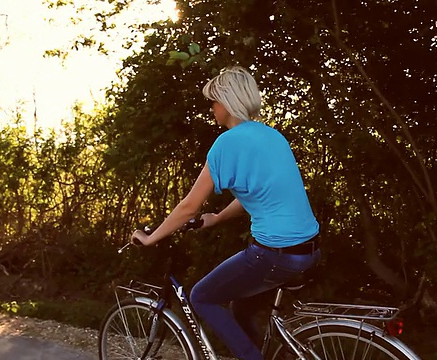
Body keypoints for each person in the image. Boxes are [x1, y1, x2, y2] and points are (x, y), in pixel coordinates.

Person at [130, 66, 321, 360]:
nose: (211, 108)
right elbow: (254, 195)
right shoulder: (272, 136)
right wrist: (217, 218)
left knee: (201, 296)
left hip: (273, 253)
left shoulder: (227, 143)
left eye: (214, 101)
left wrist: (151, 237)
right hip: (306, 249)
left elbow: (189, 206)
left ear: (227, 103)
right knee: (240, 308)